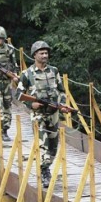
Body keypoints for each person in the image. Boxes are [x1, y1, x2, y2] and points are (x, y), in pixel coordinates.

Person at [16, 41, 71, 187]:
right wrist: (30, 104)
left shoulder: (54, 71)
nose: (45, 55)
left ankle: (45, 166)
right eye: (41, 53)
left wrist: (63, 105)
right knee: (43, 146)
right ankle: (44, 171)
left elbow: (61, 90)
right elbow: (19, 94)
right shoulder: (27, 74)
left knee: (53, 146)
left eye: (46, 53)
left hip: (53, 114)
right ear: (35, 55)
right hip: (38, 115)